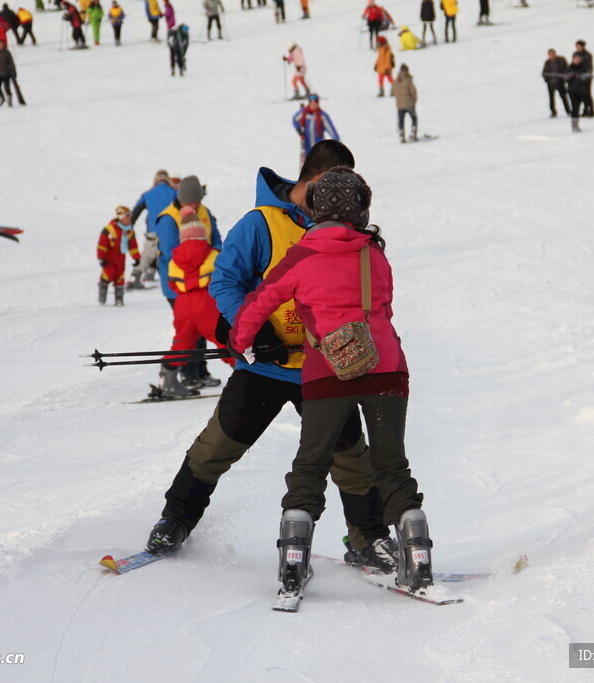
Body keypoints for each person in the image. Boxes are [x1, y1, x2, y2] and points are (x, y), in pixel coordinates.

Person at [144, 142, 392, 576]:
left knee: (352, 459)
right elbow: (225, 280)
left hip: (324, 368)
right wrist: (253, 330)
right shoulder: (261, 224)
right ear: (315, 181)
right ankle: (176, 519)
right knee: (217, 446)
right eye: (337, 188)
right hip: (263, 366)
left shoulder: (345, 231)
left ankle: (367, 538)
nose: (345, 200)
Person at [227, 166, 431, 594]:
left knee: (311, 465)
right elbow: (384, 307)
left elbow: (259, 301)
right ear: (360, 208)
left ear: (317, 208)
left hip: (326, 371)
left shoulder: (301, 254)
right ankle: (417, 556)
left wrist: (240, 341)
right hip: (386, 368)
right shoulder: (374, 253)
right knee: (392, 467)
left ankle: (294, 560)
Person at [156, 206, 236, 398]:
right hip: (206, 304)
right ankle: (249, 377)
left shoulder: (175, 259)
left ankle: (166, 381)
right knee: (226, 342)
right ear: (202, 233)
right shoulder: (213, 254)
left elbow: (172, 284)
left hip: (182, 305)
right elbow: (223, 279)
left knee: (182, 343)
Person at [130, 170, 177, 287]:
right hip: (170, 230)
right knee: (171, 252)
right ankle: (172, 278)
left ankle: (136, 276)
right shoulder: (175, 192)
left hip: (153, 229)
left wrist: (130, 225)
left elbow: (136, 211)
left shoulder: (148, 194)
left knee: (148, 253)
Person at [96, 206, 140, 306]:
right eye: (127, 217)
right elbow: (102, 244)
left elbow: (133, 245)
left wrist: (136, 257)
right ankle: (103, 289)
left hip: (121, 257)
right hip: (110, 258)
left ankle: (119, 298)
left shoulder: (129, 231)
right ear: (121, 217)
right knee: (109, 273)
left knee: (120, 276)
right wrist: (101, 257)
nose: (129, 220)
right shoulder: (110, 229)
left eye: (130, 218)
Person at [293, 94, 339, 166]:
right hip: (306, 143)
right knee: (307, 165)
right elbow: (295, 119)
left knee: (319, 164)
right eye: (312, 102)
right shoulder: (303, 113)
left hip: (318, 144)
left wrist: (337, 142)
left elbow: (331, 129)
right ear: (309, 103)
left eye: (315, 102)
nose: (313, 104)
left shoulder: (322, 115)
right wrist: (299, 130)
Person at [0, 39, 26, 106]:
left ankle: (9, 100)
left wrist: (14, 72)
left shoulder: (6, 52)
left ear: (3, 45)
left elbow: (11, 63)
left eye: (0, 44)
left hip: (6, 73)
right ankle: (2, 98)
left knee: (7, 88)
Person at [393, 63, 418, 142]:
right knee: (414, 118)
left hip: (400, 105)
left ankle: (401, 134)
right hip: (409, 103)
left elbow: (393, 91)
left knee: (401, 120)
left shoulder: (396, 81)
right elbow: (413, 91)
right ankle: (413, 132)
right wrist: (414, 101)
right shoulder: (408, 80)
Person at [542, 48, 570, 118]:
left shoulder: (561, 60)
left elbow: (566, 69)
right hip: (551, 83)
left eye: (553, 54)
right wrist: (547, 80)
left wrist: (564, 78)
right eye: (550, 54)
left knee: (563, 97)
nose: (552, 55)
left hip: (560, 82)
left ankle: (568, 110)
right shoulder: (547, 62)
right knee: (551, 98)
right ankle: (553, 112)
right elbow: (544, 72)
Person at [565, 53, 588, 132]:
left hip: (581, 90)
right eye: (575, 59)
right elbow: (565, 78)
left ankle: (576, 124)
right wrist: (570, 76)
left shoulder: (583, 67)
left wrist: (582, 77)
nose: (577, 60)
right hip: (572, 90)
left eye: (578, 59)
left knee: (578, 107)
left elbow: (587, 78)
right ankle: (574, 125)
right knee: (574, 107)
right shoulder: (569, 67)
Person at [572, 40, 594, 117]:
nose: (577, 47)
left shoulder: (587, 55)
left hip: (586, 77)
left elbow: (589, 66)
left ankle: (591, 110)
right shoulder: (575, 54)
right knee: (581, 94)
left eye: (579, 46)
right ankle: (585, 110)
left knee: (587, 93)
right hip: (578, 77)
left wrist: (586, 74)